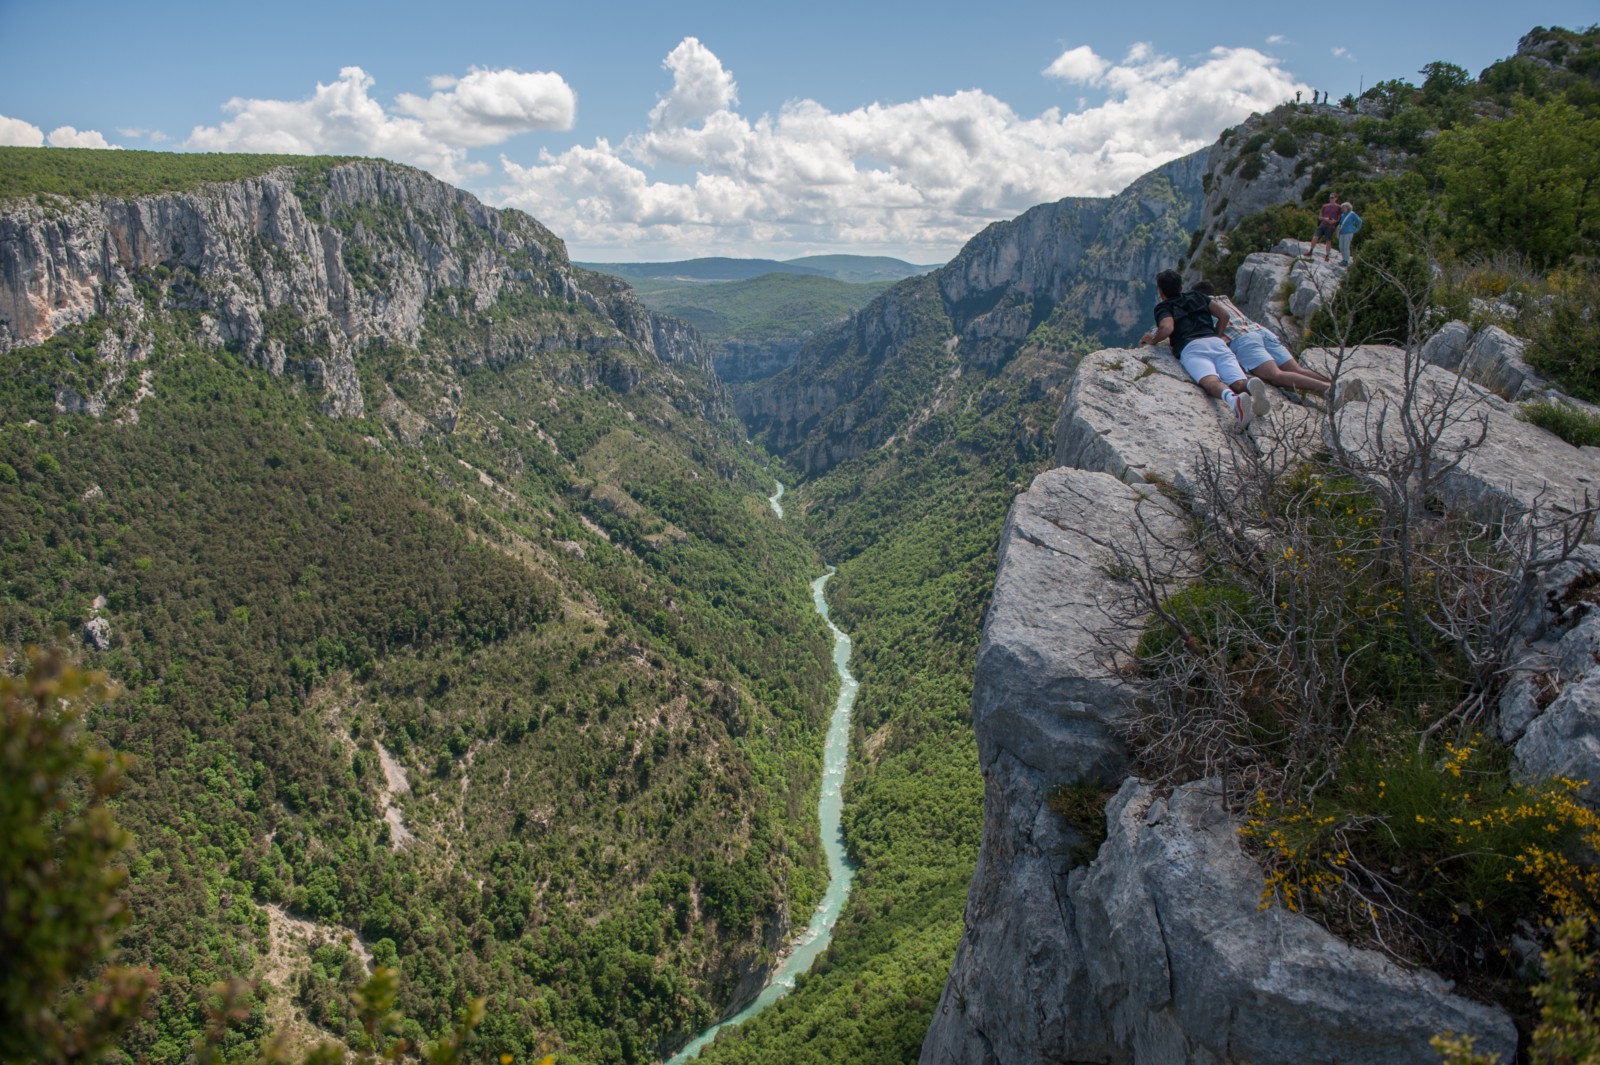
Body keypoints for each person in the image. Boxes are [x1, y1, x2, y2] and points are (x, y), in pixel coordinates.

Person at [1192, 281, 1368, 410]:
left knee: (1275, 375)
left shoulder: (1203, 307)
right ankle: (1341, 385)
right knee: (1296, 369)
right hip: (1261, 331)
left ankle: (1329, 390)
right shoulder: (1224, 299)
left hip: (1242, 339)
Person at [1140, 269, 1270, 430]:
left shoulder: (1164, 306)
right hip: (1216, 342)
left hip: (1192, 347)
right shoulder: (1198, 296)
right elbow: (1224, 315)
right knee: (1238, 382)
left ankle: (1234, 400)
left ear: (1161, 293)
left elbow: (1167, 328)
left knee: (1211, 382)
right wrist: (1217, 335)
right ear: (1181, 286)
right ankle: (1250, 385)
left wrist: (1153, 339)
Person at [1307, 192, 1342, 262]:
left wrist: (1334, 221)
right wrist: (1325, 219)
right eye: (1330, 197)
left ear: (1336, 198)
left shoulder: (1339, 207)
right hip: (1323, 225)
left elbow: (1339, 218)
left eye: (1332, 198)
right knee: (1315, 237)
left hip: (1330, 227)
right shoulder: (1325, 206)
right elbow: (1320, 217)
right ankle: (1310, 251)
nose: (1331, 199)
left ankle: (1327, 256)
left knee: (1328, 241)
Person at [1337, 201, 1362, 266]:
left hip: (1348, 232)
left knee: (1346, 246)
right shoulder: (1342, 215)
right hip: (1342, 232)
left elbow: (1359, 221)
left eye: (1344, 207)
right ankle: (1343, 259)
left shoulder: (1352, 214)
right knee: (1341, 246)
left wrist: (1357, 229)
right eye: (1342, 208)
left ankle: (1346, 261)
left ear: (1348, 207)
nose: (1342, 209)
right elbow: (1340, 224)